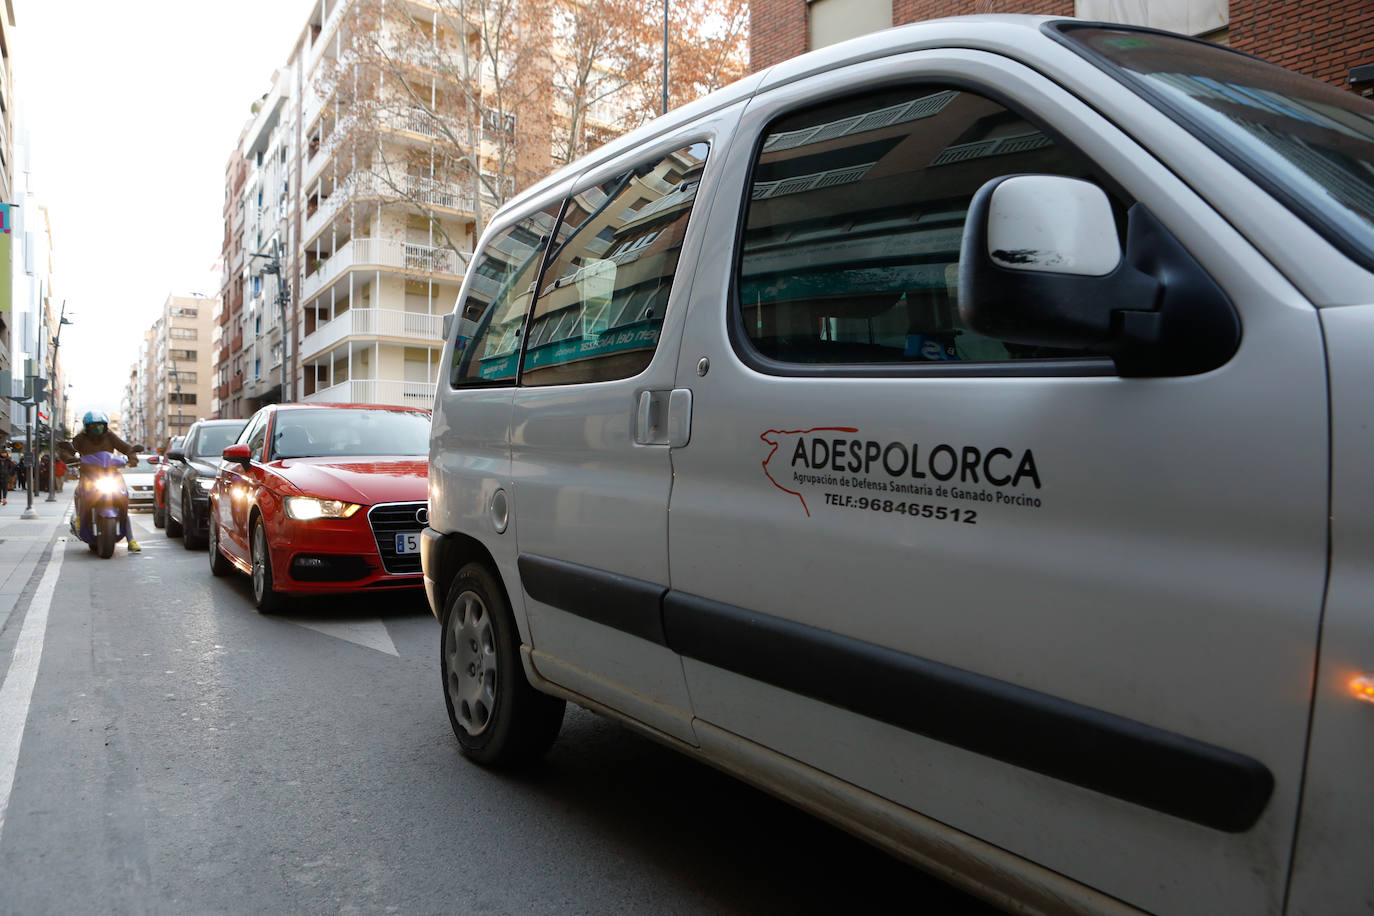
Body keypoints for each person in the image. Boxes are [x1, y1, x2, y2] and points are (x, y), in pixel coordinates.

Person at [57, 410, 141, 551]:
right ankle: (79, 519)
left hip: (111, 474)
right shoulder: (80, 438)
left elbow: (126, 448)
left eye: (100, 426)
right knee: (80, 494)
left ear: (105, 426)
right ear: (86, 427)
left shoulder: (110, 436)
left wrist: (132, 457)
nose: (97, 429)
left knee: (122, 501)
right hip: (89, 476)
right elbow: (68, 451)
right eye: (93, 426)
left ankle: (131, 539)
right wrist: (70, 458)